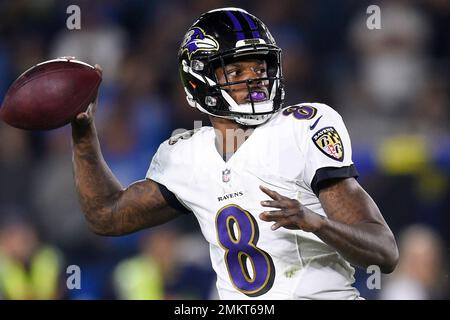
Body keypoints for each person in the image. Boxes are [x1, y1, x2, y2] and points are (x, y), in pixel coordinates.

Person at [71, 7, 399, 299]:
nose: (254, 80)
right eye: (237, 72)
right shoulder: (186, 154)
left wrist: (316, 223)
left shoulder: (303, 127)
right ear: (199, 79)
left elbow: (383, 251)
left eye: (259, 68)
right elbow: (106, 216)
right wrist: (84, 140)